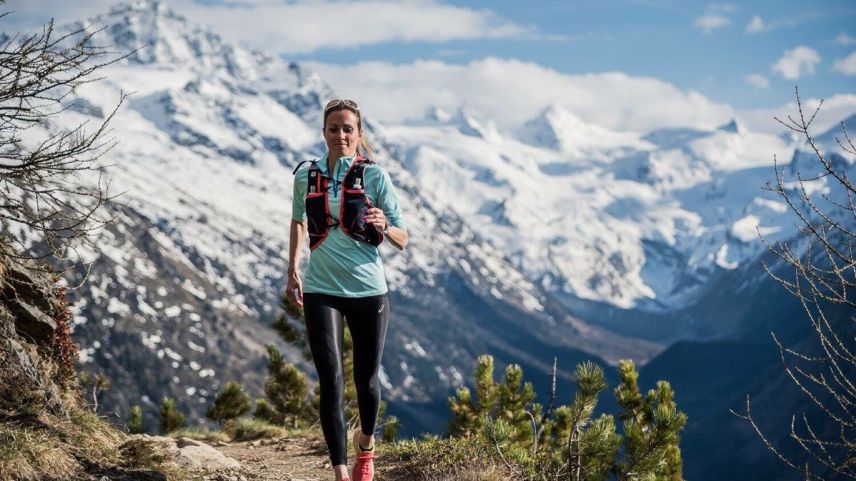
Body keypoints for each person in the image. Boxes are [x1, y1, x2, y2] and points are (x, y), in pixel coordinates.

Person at [286, 98, 408, 481]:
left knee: (367, 381)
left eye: (348, 129)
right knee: (331, 380)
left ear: (359, 134)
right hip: (322, 290)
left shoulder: (376, 177)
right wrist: (293, 269)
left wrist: (385, 225)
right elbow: (297, 221)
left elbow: (403, 239)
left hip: (369, 292)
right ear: (324, 133)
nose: (341, 135)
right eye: (334, 128)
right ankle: (341, 471)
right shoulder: (306, 176)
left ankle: (366, 448)